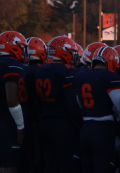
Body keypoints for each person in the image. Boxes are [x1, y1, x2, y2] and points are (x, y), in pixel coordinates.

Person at [35, 35, 83, 173]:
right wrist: (79, 125)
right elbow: (71, 103)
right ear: (63, 51)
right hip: (63, 125)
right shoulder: (67, 71)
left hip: (44, 122)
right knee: (67, 166)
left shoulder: (40, 70)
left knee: (50, 166)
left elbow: (37, 101)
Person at [73, 46, 120, 173]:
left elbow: (79, 103)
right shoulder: (110, 77)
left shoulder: (80, 76)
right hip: (103, 130)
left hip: (85, 129)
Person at [19, 37, 48, 172]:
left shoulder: (22, 69)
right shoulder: (39, 70)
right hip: (34, 118)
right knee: (37, 162)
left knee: (24, 161)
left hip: (21, 116)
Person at [0, 31, 27, 173]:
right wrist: (20, 125)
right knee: (9, 164)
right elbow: (11, 99)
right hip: (6, 122)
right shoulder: (12, 65)